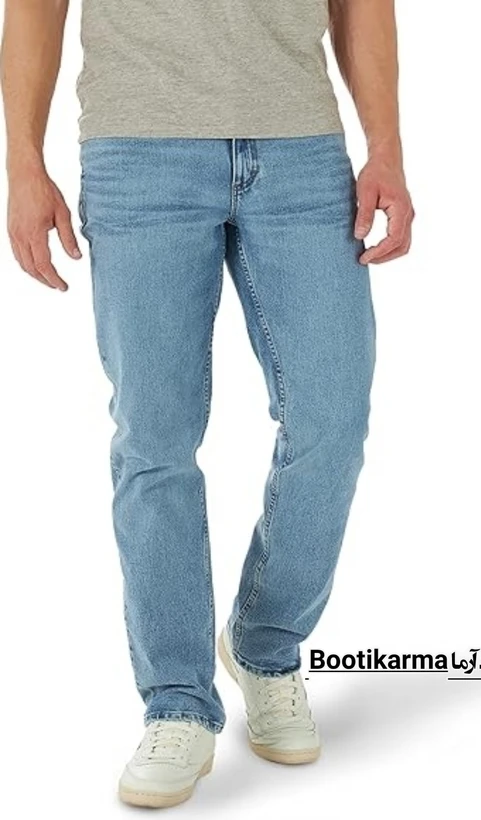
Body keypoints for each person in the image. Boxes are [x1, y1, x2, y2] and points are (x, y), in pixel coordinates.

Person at [1, 0, 414, 808]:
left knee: (332, 420)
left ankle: (262, 644)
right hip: (138, 152)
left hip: (300, 151)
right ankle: (177, 703)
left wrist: (386, 148)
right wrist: (22, 162)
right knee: (154, 440)